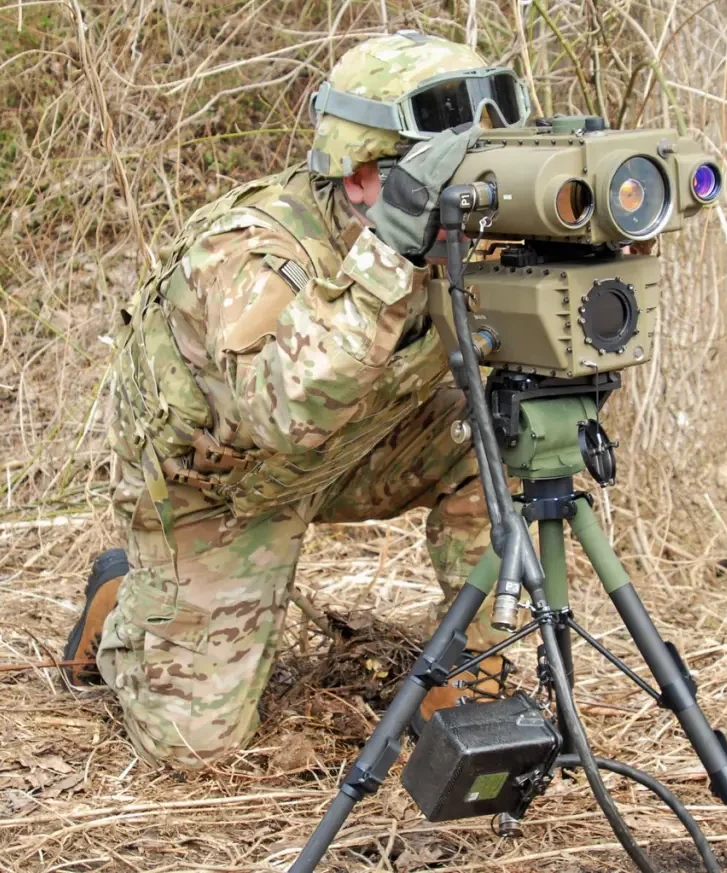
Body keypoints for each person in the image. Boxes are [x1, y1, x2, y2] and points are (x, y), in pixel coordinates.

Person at [61, 31, 534, 769]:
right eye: (446, 171)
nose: (470, 191)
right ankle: (127, 600)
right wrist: (393, 248)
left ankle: (469, 680)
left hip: (353, 447)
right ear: (362, 175)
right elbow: (286, 411)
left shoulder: (456, 234)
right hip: (224, 489)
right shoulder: (249, 249)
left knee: (506, 433)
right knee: (194, 751)